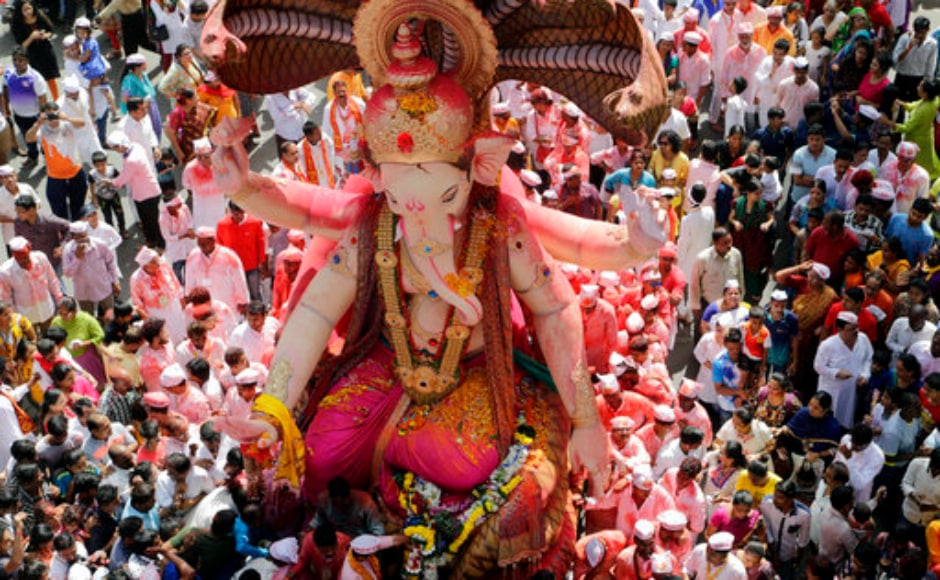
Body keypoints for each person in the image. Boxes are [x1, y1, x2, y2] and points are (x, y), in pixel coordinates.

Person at [25, 102, 87, 222]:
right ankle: (64, 234)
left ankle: (78, 231)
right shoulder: (42, 129)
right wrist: (38, 123)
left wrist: (66, 117)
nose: (53, 118)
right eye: (49, 115)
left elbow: (83, 123)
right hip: (55, 177)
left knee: (78, 208)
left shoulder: (67, 124)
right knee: (59, 213)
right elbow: (28, 138)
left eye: (54, 113)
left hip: (75, 172)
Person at [106, 131, 164, 248]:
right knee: (147, 220)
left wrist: (111, 182)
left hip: (146, 195)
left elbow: (123, 179)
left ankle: (159, 244)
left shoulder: (131, 160)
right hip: (146, 191)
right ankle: (151, 241)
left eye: (115, 148)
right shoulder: (135, 147)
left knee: (151, 221)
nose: (115, 151)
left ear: (120, 146)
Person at [184, 227, 250, 315]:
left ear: (213, 241)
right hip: (203, 304)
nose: (202, 247)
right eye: (200, 245)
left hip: (226, 303)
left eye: (205, 244)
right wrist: (188, 296)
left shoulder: (229, 256)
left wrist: (243, 301)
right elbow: (189, 279)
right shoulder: (193, 256)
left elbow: (239, 280)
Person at [129, 247, 187, 344]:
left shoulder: (163, 265)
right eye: (155, 262)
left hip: (173, 303)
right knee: (165, 331)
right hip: (155, 311)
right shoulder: (136, 279)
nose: (158, 263)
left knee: (179, 325)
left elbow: (174, 280)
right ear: (146, 265)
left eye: (158, 260)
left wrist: (181, 297)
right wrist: (146, 318)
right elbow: (137, 301)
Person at [0, 237, 62, 327]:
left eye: (26, 258)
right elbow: (6, 298)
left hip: (47, 310)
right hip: (25, 317)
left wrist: (59, 299)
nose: (24, 262)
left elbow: (52, 280)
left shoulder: (41, 258)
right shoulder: (5, 272)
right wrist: (14, 318)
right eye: (20, 260)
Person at [215, 202, 266, 301]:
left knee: (254, 293)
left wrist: (262, 261)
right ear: (230, 211)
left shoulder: (254, 222)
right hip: (231, 268)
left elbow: (260, 242)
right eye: (235, 214)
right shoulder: (222, 224)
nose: (237, 216)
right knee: (235, 294)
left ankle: (258, 313)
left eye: (240, 213)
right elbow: (219, 245)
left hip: (251, 266)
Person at [690, 228, 745, 319]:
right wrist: (695, 306)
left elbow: (740, 279)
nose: (729, 246)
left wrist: (740, 300)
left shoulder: (736, 254)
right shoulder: (702, 258)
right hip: (708, 305)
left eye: (730, 241)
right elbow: (695, 284)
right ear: (715, 243)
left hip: (731, 306)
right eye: (725, 243)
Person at [321, 80, 366, 175]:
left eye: (343, 91)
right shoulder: (328, 109)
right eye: (338, 92)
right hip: (342, 150)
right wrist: (331, 159)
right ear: (334, 93)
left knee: (364, 173)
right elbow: (326, 132)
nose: (341, 94)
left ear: (347, 91)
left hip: (359, 146)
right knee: (347, 176)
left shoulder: (358, 103)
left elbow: (367, 121)